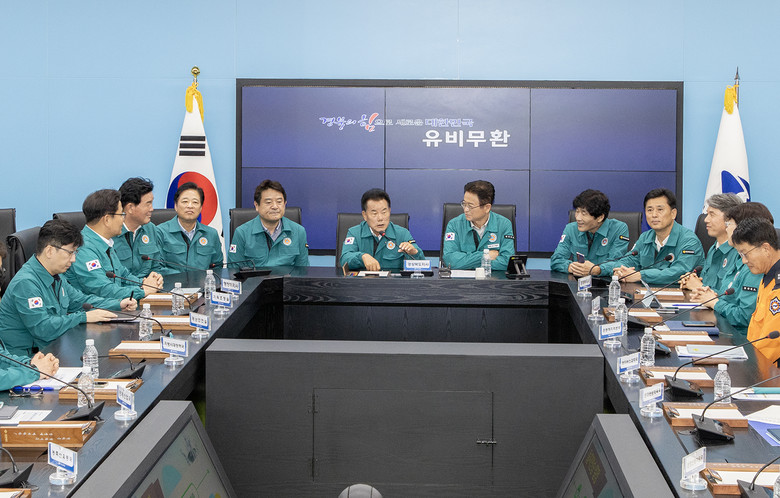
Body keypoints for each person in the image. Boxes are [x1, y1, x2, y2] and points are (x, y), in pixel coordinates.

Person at [0, 219, 133, 355]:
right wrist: (83, 317)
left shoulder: (56, 276)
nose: (73, 259)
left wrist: (118, 304)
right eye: (70, 253)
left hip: (53, 351)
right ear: (50, 251)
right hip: (25, 360)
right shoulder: (26, 283)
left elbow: (81, 301)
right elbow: (43, 328)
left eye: (75, 253)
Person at [65, 189, 162, 299]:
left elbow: (123, 275)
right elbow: (103, 290)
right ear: (107, 219)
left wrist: (145, 283)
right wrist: (143, 290)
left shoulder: (106, 243)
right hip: (96, 308)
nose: (123, 220)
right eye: (121, 215)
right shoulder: (84, 249)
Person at [596, 188, 704, 285]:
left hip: (680, 296)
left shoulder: (689, 241)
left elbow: (680, 272)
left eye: (660, 210)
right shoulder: (645, 237)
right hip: (646, 294)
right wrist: (620, 270)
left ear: (673, 213)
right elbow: (629, 260)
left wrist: (640, 275)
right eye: (649, 210)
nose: (654, 215)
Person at [691, 203, 773, 329]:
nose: (726, 228)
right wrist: (713, 295)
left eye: (729, 224)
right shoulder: (740, 260)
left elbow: (745, 317)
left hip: (740, 335)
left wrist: (715, 302)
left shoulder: (755, 267)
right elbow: (731, 298)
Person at [229, 180, 309, 267]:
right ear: (256, 205)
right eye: (268, 202)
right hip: (254, 276)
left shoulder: (298, 231)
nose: (275, 206)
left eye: (279, 202)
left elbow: (302, 269)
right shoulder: (242, 233)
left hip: (287, 276)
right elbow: (234, 269)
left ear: (285, 204)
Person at [732, 217, 780, 361]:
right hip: (755, 358)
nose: (744, 261)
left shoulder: (777, 286)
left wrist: (749, 367)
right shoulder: (767, 276)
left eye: (745, 254)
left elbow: (772, 344)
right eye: (741, 255)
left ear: (766, 248)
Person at [340, 188, 424, 271]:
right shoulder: (354, 233)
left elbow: (423, 265)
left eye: (384, 212)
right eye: (374, 213)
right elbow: (344, 259)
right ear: (364, 215)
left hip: (391, 280)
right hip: (363, 280)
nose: (380, 218)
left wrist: (414, 252)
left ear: (389, 211)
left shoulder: (402, 233)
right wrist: (362, 257)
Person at [550, 189, 629, 277]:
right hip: (578, 281)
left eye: (584, 213)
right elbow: (556, 260)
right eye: (577, 211)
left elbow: (618, 263)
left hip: (606, 282)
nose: (578, 218)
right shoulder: (570, 229)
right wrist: (572, 267)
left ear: (600, 217)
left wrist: (596, 270)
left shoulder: (619, 229)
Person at [442, 180, 515, 271]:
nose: (465, 209)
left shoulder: (504, 225)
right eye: (464, 204)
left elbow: (507, 262)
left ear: (487, 208)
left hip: (493, 278)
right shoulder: (454, 225)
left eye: (470, 206)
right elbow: (450, 260)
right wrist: (485, 256)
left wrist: (466, 262)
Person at [679, 193, 743, 291]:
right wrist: (690, 281)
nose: (706, 219)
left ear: (730, 219)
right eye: (707, 214)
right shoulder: (713, 248)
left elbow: (732, 295)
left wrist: (699, 287)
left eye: (712, 215)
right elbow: (706, 284)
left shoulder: (740, 253)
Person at [156, 182, 223, 273]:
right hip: (171, 282)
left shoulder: (211, 234)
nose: (190, 206)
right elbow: (157, 267)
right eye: (185, 202)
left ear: (201, 208)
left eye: (195, 202)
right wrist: (183, 277)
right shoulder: (160, 232)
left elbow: (217, 267)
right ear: (176, 206)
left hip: (203, 281)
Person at [112, 177, 165, 277]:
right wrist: (142, 283)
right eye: (148, 204)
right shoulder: (110, 232)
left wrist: (156, 278)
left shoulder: (151, 229)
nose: (152, 209)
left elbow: (157, 266)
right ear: (130, 208)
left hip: (149, 285)